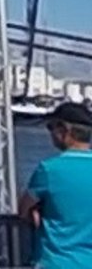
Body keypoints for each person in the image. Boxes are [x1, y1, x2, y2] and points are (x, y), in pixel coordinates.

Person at [18, 101, 92, 269]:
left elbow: (23, 210)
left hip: (56, 262)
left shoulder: (49, 170)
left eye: (50, 127)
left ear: (63, 130)